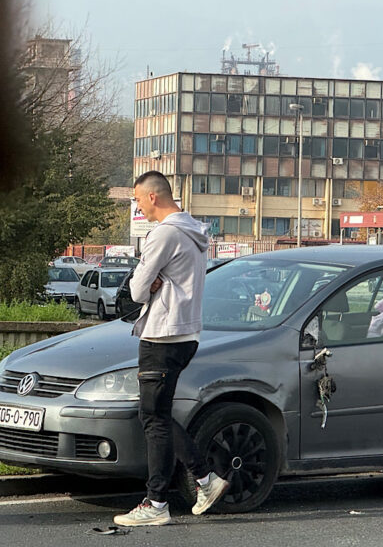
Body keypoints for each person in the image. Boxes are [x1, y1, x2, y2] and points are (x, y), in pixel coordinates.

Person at [114, 171, 228, 527]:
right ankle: (201, 482)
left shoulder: (164, 233)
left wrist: (148, 284)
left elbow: (135, 291)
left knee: (152, 417)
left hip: (162, 335)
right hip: (186, 333)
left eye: (137, 199)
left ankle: (161, 500)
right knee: (157, 415)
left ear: (153, 197)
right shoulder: (194, 231)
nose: (137, 206)